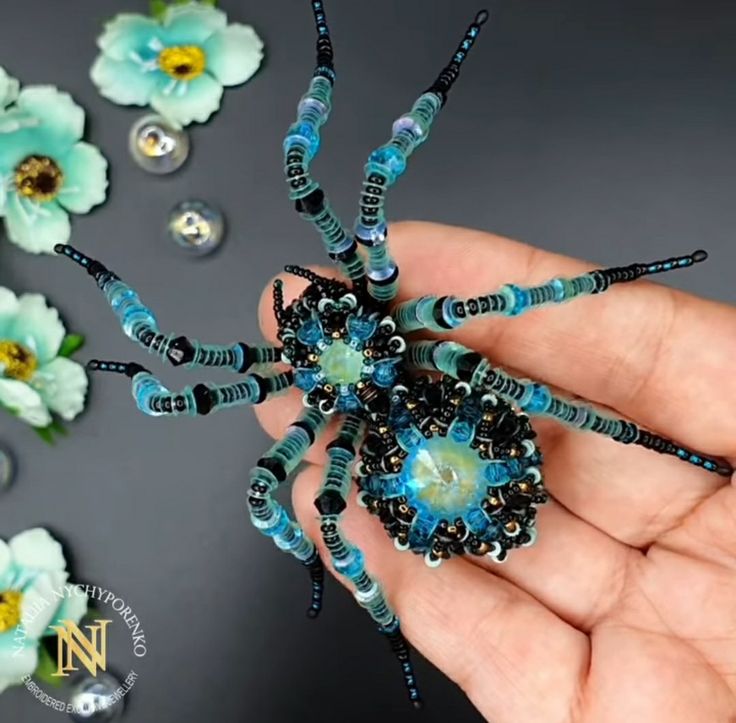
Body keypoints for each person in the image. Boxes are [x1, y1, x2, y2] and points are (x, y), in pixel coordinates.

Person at [255, 221, 736, 722]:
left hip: (429, 465)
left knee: (330, 516)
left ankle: (654, 438)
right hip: (431, 463)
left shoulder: (397, 341)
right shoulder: (405, 337)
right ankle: (653, 439)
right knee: (330, 512)